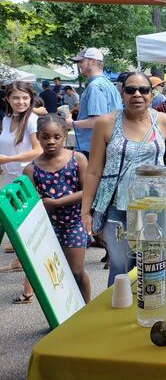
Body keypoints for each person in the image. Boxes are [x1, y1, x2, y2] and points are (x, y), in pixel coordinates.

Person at [82, 72, 166, 286]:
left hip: (155, 207)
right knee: (120, 267)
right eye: (131, 89)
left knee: (153, 265)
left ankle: (150, 312)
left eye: (144, 90)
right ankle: (118, 315)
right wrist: (86, 211)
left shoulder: (163, 121)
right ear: (122, 93)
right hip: (117, 207)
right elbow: (93, 170)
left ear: (152, 94)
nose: (137, 94)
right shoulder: (106, 123)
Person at [23, 114, 91, 302]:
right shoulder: (31, 169)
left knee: (76, 271)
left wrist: (57, 203)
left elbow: (87, 192)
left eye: (56, 137)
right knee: (53, 276)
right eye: (45, 137)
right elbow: (30, 204)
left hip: (74, 223)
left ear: (65, 135)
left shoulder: (77, 159)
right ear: (38, 137)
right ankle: (63, 311)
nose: (50, 141)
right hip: (47, 227)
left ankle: (86, 309)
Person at [0, 82, 43, 283]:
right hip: (9, 178)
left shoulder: (32, 120)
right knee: (15, 224)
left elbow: (38, 150)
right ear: (8, 99)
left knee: (23, 224)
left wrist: (7, 160)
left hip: (26, 180)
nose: (21, 102)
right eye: (16, 97)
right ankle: (20, 260)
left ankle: (29, 273)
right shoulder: (8, 118)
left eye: (25, 98)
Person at [67, 48, 121, 159]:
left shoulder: (95, 86)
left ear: (93, 61)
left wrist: (71, 124)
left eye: (81, 61)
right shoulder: (109, 85)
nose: (79, 65)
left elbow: (97, 121)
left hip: (91, 148)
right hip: (105, 146)